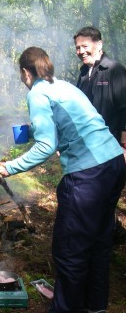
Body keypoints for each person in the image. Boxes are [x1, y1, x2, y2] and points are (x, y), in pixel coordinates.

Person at [0, 47, 125, 312]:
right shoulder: (64, 86)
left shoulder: (37, 93)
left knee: (69, 252)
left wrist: (9, 167)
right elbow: (77, 122)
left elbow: (45, 147)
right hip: (114, 164)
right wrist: (31, 131)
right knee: (99, 245)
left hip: (88, 174)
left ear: (25, 72)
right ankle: (94, 307)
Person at [74, 26, 126, 244]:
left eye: (85, 46)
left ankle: (109, 238)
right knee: (95, 196)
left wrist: (124, 147)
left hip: (112, 149)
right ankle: (103, 236)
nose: (81, 51)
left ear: (99, 45)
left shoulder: (114, 70)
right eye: (77, 47)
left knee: (106, 196)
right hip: (89, 150)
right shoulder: (83, 73)